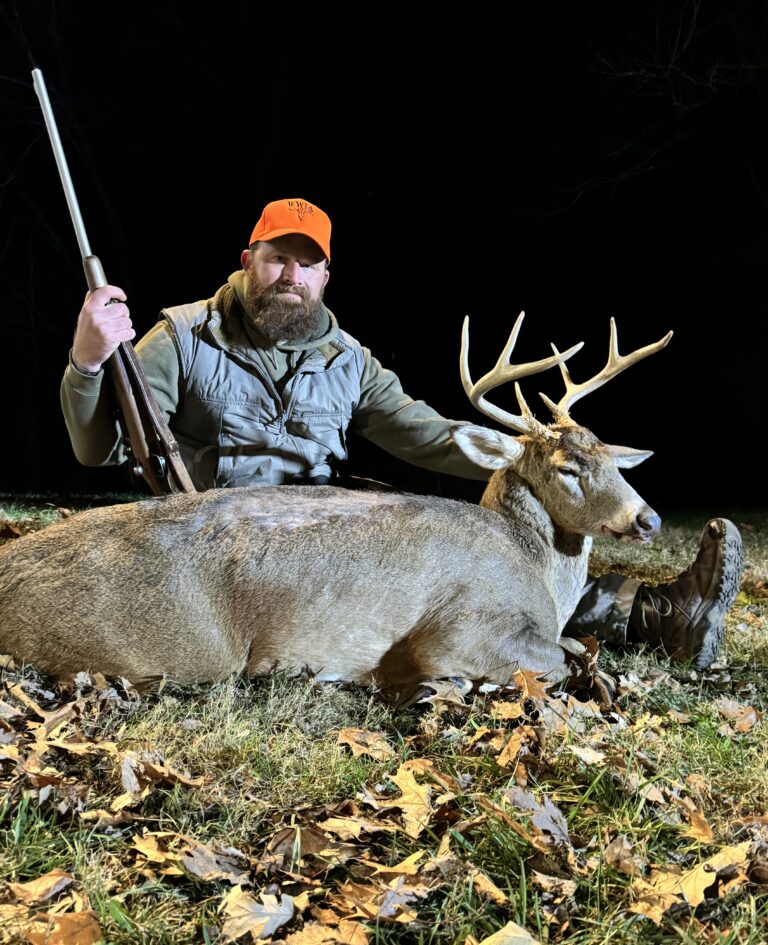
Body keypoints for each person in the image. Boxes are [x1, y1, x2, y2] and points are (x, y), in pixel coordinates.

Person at [60, 197, 744, 670]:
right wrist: (87, 362)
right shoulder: (180, 338)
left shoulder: (348, 359)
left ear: (326, 276)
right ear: (248, 258)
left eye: (307, 264)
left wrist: (540, 461)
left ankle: (657, 614)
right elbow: (98, 448)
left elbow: (423, 433)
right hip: (220, 534)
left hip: (326, 528)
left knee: (479, 563)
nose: (290, 277)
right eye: (276, 258)